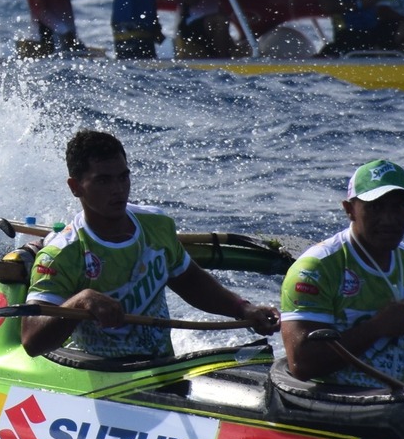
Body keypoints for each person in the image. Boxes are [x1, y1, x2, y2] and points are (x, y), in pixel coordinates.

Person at [21, 130, 278, 360]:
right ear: (75, 187)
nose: (119, 189)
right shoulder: (60, 255)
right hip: (98, 376)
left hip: (161, 368)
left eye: (123, 177)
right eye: (103, 181)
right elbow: (32, 341)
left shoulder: (156, 226)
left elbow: (189, 280)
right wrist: (80, 301)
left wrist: (242, 308)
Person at [279, 160, 404, 390]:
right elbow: (302, 364)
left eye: (398, 206)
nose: (389, 219)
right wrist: (377, 327)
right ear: (349, 210)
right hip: (330, 405)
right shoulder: (315, 268)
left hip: (395, 406)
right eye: (376, 207)